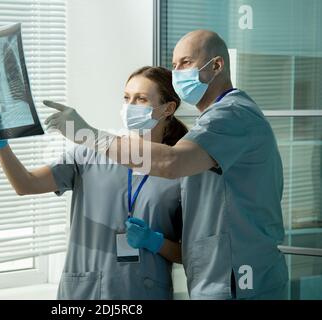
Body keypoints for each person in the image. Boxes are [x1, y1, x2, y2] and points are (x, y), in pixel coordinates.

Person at [43, 30, 289, 300]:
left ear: (216, 66)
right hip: (221, 279)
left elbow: (171, 162)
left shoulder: (231, 115)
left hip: (242, 281)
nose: (177, 73)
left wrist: (87, 135)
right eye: (174, 65)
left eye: (185, 63)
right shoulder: (214, 121)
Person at [0, 66, 188, 299]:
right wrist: (0, 144)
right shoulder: (89, 154)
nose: (129, 107)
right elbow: (26, 184)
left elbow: (191, 253)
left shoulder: (178, 170)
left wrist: (155, 242)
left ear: (168, 108)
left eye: (141, 99)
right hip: (84, 293)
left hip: (143, 292)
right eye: (126, 98)